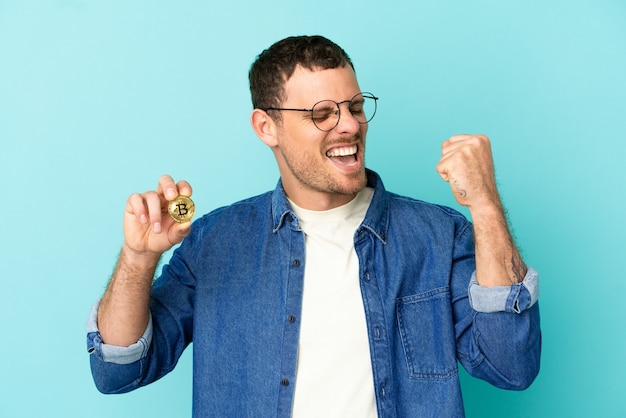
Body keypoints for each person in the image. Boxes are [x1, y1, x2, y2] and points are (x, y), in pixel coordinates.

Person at [87, 35, 541, 417]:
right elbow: (119, 370)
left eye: (356, 106)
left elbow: (511, 366)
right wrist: (139, 257)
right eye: (323, 113)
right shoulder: (214, 242)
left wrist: (485, 205)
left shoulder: (439, 235)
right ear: (267, 127)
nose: (349, 125)